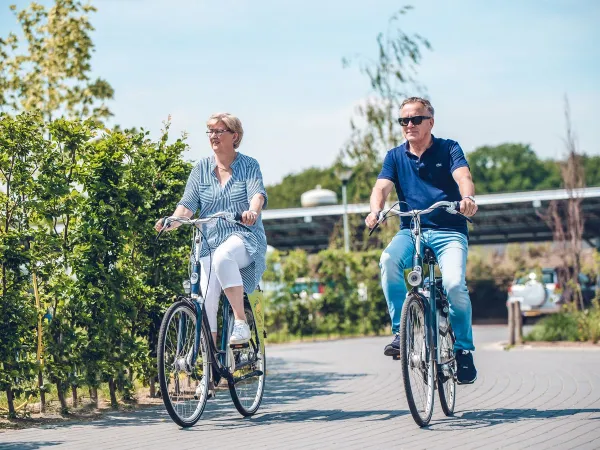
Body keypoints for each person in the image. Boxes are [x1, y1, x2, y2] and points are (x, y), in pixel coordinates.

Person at [364, 97, 478, 384]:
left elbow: (463, 175)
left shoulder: (449, 148)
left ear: (431, 121)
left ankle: (464, 350)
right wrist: (375, 210)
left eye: (416, 119)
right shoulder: (394, 156)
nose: (409, 125)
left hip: (448, 230)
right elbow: (382, 187)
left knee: (454, 284)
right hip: (410, 230)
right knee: (388, 261)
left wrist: (467, 198)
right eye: (404, 121)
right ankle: (401, 332)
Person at [155, 112, 268, 346]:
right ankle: (211, 368)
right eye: (210, 131)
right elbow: (186, 206)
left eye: (219, 131)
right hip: (209, 242)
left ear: (234, 136)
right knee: (205, 299)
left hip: (243, 237)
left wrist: (252, 212)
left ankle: (240, 322)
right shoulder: (201, 170)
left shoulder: (248, 165)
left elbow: (257, 195)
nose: (213, 136)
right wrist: (171, 221)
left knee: (223, 256)